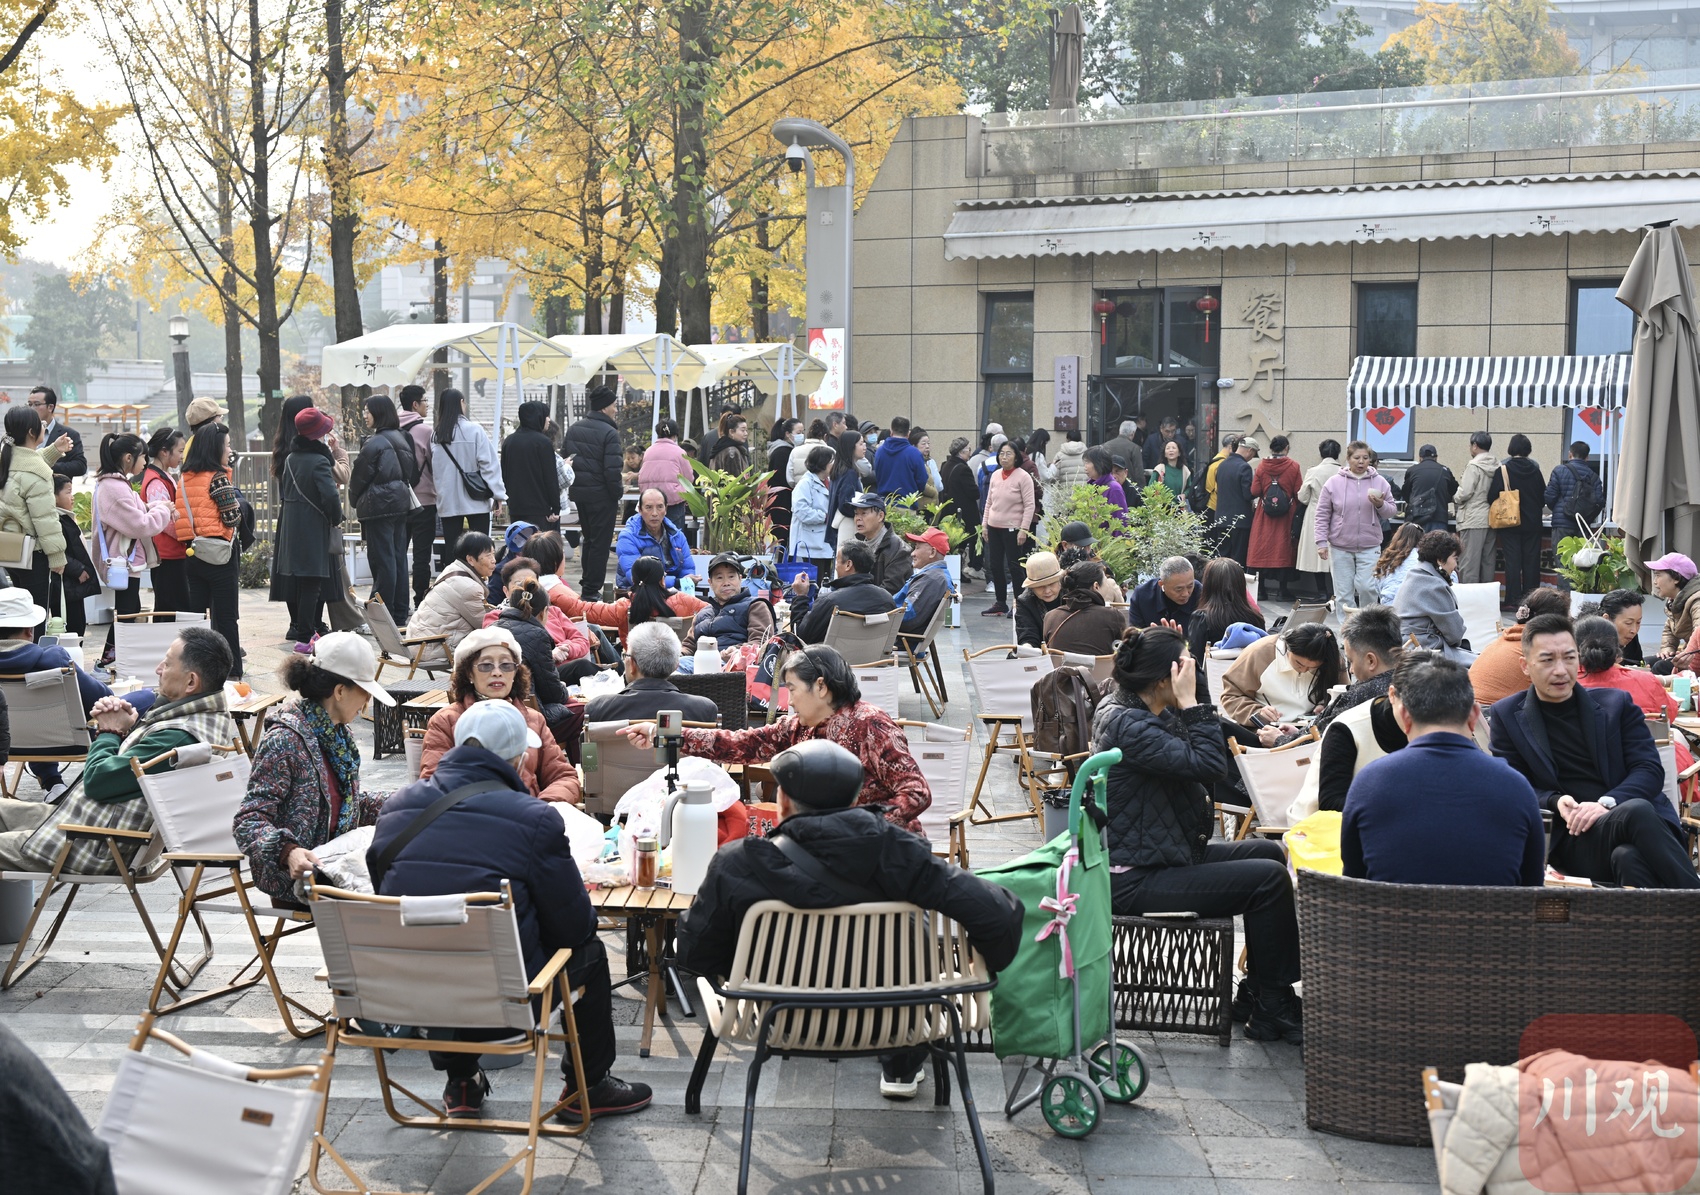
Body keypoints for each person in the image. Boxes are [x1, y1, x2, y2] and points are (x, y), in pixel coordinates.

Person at [675, 739, 1024, 1100]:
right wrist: (979, 965)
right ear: (855, 798)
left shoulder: (739, 863)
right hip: (895, 1021)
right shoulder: (901, 853)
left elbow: (695, 953)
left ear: (783, 800)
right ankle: (902, 1066)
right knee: (914, 936)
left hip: (779, 1019)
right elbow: (999, 913)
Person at [372, 698, 648, 1120]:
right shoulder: (534, 818)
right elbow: (574, 927)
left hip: (412, 998)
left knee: (438, 945)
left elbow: (384, 895)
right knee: (590, 954)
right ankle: (588, 1087)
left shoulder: (396, 807)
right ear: (519, 758)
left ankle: (462, 1079)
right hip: (505, 1003)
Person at [1091, 624, 1303, 1044]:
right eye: (1185, 667)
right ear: (1163, 679)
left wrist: (1192, 693)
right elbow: (1209, 765)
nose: (1191, 672)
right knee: (1267, 879)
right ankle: (1274, 1005)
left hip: (1158, 853)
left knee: (1268, 853)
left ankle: (1258, 993)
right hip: (1131, 877)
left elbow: (1202, 731)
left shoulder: (1138, 706)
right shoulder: (1130, 725)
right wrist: (1189, 701)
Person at [621, 645, 931, 833]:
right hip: (826, 846)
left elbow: (917, 792)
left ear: (821, 686)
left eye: (792, 690)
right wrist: (664, 734)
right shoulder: (799, 726)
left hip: (883, 851)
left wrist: (860, 825)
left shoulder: (872, 726)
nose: (790, 701)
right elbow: (740, 744)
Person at [1490, 614, 1700, 889]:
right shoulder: (1507, 715)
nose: (1560, 670)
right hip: (1571, 837)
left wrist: (1605, 803)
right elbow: (1512, 784)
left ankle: (1649, 918)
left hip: (1631, 823)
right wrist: (1554, 801)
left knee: (1628, 858)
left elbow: (1648, 769)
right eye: (1547, 660)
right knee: (1636, 811)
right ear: (1526, 666)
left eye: (1569, 658)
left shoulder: (1616, 704)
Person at [0, 626, 232, 875]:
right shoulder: (203, 719)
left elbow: (97, 781)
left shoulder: (178, 737)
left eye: (167, 664)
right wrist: (124, 724)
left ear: (191, 682)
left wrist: (109, 731)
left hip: (90, 844)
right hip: (85, 823)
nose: (158, 669)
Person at [1343, 654, 1544, 886]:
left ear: (1405, 716)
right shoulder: (1516, 788)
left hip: (1390, 911)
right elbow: (1532, 888)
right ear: (1474, 716)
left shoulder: (1368, 783)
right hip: (1493, 911)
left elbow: (1353, 883)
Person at [236, 634, 394, 907]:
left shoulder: (339, 735)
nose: (367, 701)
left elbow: (344, 804)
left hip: (338, 859)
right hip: (300, 877)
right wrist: (289, 852)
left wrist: (406, 801)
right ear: (340, 691)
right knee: (398, 891)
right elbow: (248, 820)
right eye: (365, 691)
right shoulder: (285, 740)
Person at [416, 626, 580, 803]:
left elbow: (563, 777)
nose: (497, 672)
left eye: (506, 665)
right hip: (471, 815)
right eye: (486, 665)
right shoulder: (446, 721)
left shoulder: (534, 719)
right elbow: (433, 785)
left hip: (528, 814)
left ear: (515, 673)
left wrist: (545, 806)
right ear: (469, 673)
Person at [1574, 614, 1689, 777]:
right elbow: (1669, 716)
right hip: (1648, 776)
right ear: (1616, 648)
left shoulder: (1560, 686)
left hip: (1580, 777)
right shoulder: (1644, 681)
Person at [172, 418, 243, 677]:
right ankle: (232, 670)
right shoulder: (217, 478)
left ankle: (195, 669)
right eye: (227, 445)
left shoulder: (184, 478)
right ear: (215, 448)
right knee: (225, 618)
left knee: (197, 618)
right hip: (220, 556)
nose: (229, 449)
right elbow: (232, 518)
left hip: (193, 553)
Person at [270, 407, 344, 644]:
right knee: (313, 583)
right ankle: (305, 635)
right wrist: (336, 518)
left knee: (303, 583)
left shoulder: (290, 458)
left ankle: (304, 631)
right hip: (313, 528)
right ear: (317, 434)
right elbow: (330, 497)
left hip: (292, 527)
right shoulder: (320, 461)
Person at [91, 432, 176, 623]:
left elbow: (139, 509)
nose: (146, 462)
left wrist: (161, 506)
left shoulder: (113, 484)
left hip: (123, 561)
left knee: (127, 615)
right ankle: (115, 645)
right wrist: (163, 511)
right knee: (127, 616)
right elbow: (141, 525)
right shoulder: (116, 488)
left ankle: (114, 645)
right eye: (143, 456)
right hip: (124, 562)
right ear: (128, 458)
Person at [349, 395, 420, 621]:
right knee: (398, 558)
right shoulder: (403, 438)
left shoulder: (374, 443)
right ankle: (399, 612)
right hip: (400, 505)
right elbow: (413, 473)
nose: (365, 415)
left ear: (378, 413)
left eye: (367, 411)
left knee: (382, 562)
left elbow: (359, 478)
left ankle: (380, 615)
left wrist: (353, 500)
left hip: (378, 507)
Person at [490, 573, 577, 742]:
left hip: (496, 711)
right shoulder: (538, 635)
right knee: (581, 714)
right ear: (544, 612)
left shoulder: (492, 629)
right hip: (526, 715)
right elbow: (553, 694)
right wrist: (564, 689)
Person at [0, 405, 69, 611]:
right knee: (35, 613)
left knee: (17, 612)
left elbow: (29, 462)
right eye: (41, 424)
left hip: (9, 548)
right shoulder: (37, 474)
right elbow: (45, 519)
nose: (44, 427)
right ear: (31, 432)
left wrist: (54, 450)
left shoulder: (6, 460)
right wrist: (57, 556)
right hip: (33, 554)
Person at [584, 622, 720, 724]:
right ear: (676, 666)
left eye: (626, 656)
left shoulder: (598, 709)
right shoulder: (704, 710)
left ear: (632, 665)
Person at [431, 388, 505, 569]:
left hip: (448, 500)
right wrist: (497, 494)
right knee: (481, 546)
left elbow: (437, 470)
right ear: (461, 403)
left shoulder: (437, 434)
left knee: (452, 548)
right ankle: (480, 579)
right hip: (476, 498)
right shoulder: (474, 430)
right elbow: (489, 465)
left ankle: (454, 579)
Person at [1221, 622, 1345, 729]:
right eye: (1298, 663)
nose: (1303, 670)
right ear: (1288, 647)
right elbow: (1231, 695)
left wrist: (1325, 705)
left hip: (1312, 730)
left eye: (1312, 667)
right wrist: (1257, 712)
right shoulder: (1260, 653)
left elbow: (1345, 697)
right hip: (1265, 730)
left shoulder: (1331, 660)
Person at [561, 386, 624, 595]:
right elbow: (612, 470)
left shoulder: (574, 429)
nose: (616, 409)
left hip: (580, 494)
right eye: (614, 405)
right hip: (602, 495)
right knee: (600, 543)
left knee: (588, 539)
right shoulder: (610, 433)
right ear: (604, 407)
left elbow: (565, 460)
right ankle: (591, 588)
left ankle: (587, 582)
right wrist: (617, 493)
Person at [1314, 440, 1390, 610]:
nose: (1361, 461)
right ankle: (1346, 625)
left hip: (1370, 544)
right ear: (1348, 459)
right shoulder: (1333, 482)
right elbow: (1322, 514)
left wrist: (1380, 504)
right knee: (1343, 592)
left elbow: (1390, 511)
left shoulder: (1380, 482)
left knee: (1368, 587)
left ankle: (1367, 622)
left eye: (1365, 458)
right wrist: (1321, 542)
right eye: (1356, 458)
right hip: (1340, 545)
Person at [1469, 585, 1573, 705]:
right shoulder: (1537, 650)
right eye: (1569, 620)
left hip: (1467, 708)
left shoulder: (1504, 639)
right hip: (1489, 713)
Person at [788, 539, 899, 643]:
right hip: (875, 657)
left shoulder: (830, 601)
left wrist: (801, 596)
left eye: (837, 561)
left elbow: (799, 637)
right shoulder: (886, 599)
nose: (836, 567)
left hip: (833, 657)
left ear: (848, 565)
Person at [407, 530, 494, 656]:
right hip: (432, 648)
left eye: (493, 554)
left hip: (418, 642)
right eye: (488, 556)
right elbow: (486, 624)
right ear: (470, 559)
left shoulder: (451, 569)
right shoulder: (468, 587)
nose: (493, 560)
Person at [1486, 434, 1546, 611]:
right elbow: (1543, 497)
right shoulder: (1535, 470)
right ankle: (1532, 600)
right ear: (1528, 450)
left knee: (1512, 562)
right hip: (1533, 523)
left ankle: (1513, 600)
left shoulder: (1504, 469)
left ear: (1511, 449)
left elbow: (1492, 496)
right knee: (1532, 561)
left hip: (1510, 523)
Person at [1396, 530, 1474, 663]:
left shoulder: (1414, 575)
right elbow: (1455, 635)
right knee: (1484, 664)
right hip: (1426, 651)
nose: (1456, 565)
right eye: (1455, 558)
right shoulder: (1434, 585)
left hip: (1409, 647)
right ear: (1440, 560)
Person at [681, 553, 774, 660]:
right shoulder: (702, 614)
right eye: (719, 578)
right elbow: (688, 646)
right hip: (698, 664)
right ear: (710, 583)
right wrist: (679, 656)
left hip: (736, 664)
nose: (726, 583)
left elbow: (761, 643)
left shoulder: (755, 606)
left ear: (740, 579)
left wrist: (737, 652)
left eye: (731, 577)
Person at [981, 440, 1035, 617]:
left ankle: (1019, 604)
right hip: (993, 527)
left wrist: (1024, 529)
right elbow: (989, 502)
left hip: (1013, 528)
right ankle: (1000, 602)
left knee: (1014, 567)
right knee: (995, 566)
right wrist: (984, 525)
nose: (1004, 457)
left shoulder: (1023, 477)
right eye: (1002, 453)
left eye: (1008, 454)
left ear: (1016, 457)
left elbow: (1029, 505)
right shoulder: (995, 475)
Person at [396, 385, 438, 608]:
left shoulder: (391, 428)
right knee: (422, 555)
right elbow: (435, 464)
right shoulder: (425, 431)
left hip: (398, 501)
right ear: (415, 404)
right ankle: (420, 601)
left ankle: (398, 602)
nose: (427, 405)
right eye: (425, 401)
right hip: (424, 501)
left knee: (398, 553)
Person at [140, 428, 189, 614]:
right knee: (170, 610)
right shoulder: (156, 482)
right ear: (164, 452)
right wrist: (187, 536)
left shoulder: (163, 475)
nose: (182, 456)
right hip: (167, 555)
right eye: (180, 451)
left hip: (171, 554)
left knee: (170, 607)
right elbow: (164, 522)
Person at [1248, 435, 1301, 599]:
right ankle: (1282, 591)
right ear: (1286, 448)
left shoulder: (1261, 466)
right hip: (1286, 515)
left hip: (1264, 514)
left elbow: (1255, 491)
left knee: (1262, 548)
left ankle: (1261, 590)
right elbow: (1298, 492)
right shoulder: (1294, 466)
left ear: (1271, 448)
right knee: (1283, 549)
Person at [1183, 557, 1263, 665]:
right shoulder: (1256, 618)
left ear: (1208, 585)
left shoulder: (1201, 618)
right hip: (1246, 673)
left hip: (1211, 674)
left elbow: (1195, 659)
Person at [497, 399, 560, 532]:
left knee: (519, 541)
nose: (548, 420)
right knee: (539, 542)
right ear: (538, 417)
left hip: (516, 507)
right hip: (539, 508)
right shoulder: (543, 443)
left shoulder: (509, 441)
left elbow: (504, 474)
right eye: (546, 416)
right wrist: (555, 507)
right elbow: (550, 478)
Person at [615, 487, 695, 588]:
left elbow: (688, 569)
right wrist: (677, 582)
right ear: (640, 510)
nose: (654, 513)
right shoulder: (627, 537)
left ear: (666, 509)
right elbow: (636, 577)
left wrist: (686, 580)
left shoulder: (677, 535)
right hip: (638, 592)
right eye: (648, 507)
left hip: (675, 591)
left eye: (660, 507)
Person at [1043, 561, 1126, 656]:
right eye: (1106, 582)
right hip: (1101, 666)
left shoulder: (1050, 617)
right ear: (1096, 586)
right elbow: (1125, 653)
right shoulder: (1113, 616)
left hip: (1061, 666)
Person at [50, 476, 98, 637]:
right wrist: (78, 569)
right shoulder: (55, 520)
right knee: (71, 626)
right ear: (54, 496)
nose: (72, 497)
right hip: (64, 582)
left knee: (77, 624)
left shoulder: (65, 517)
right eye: (68, 492)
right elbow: (55, 550)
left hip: (71, 582)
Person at [1294, 439, 1341, 598]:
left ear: (1321, 453)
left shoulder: (1313, 471)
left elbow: (1302, 496)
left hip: (1315, 513)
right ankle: (1337, 592)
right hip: (1339, 514)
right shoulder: (1343, 471)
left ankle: (1322, 592)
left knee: (1316, 556)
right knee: (1339, 554)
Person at [1454, 431, 1500, 586]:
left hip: (1473, 518)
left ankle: (1469, 598)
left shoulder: (1474, 465)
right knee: (1488, 562)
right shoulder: (1497, 465)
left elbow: (1465, 492)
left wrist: (1455, 497)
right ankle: (1487, 597)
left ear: (1475, 445)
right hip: (1491, 518)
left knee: (1469, 563)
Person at [847, 491, 912, 597]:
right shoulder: (857, 546)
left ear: (880, 516)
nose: (858, 518)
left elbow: (891, 590)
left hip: (881, 605)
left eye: (864, 513)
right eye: (856, 514)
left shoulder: (899, 549)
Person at [894, 527, 955, 638]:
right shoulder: (937, 576)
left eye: (917, 548)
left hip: (895, 639)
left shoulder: (931, 579)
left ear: (932, 552)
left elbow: (907, 618)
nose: (912, 553)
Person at [636, 417, 693, 532]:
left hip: (650, 501)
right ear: (675, 435)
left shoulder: (648, 451)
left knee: (652, 534)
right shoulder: (680, 452)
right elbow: (689, 479)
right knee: (673, 535)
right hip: (673, 501)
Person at [1544, 440, 1603, 548]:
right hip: (1582, 525)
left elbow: (1549, 497)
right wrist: (1588, 516)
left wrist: (1559, 510)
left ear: (1570, 454)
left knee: (1562, 556)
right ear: (1587, 457)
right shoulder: (1594, 476)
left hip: (1562, 525)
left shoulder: (1559, 471)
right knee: (1581, 557)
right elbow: (1599, 502)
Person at [789, 444, 835, 577]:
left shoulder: (828, 481)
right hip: (809, 544)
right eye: (832, 461)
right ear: (823, 464)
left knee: (824, 579)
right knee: (813, 581)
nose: (834, 464)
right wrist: (825, 517)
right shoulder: (805, 484)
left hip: (823, 543)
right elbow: (801, 511)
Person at [1213, 436, 1258, 566]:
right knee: (1238, 560)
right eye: (1253, 454)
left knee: (1222, 559)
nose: (1252, 458)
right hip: (1240, 521)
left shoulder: (1222, 465)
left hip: (1221, 519)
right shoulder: (1244, 467)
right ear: (1250, 450)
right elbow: (1247, 494)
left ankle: (1220, 579)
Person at [1649, 552, 1700, 667]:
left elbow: (1698, 636)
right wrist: (1667, 649)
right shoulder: (1674, 602)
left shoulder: (1697, 600)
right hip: (1689, 654)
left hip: (1695, 658)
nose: (1655, 582)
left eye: (1658, 575)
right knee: (1648, 662)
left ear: (1676, 578)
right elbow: (1670, 628)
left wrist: (1684, 654)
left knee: (1659, 667)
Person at [940, 437, 981, 575]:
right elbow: (974, 492)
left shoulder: (946, 465)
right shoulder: (963, 469)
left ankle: (954, 572)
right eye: (968, 449)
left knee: (953, 543)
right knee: (961, 543)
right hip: (963, 513)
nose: (970, 452)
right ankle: (958, 572)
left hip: (949, 510)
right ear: (961, 452)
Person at [1129, 556, 1203, 633]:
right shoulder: (1142, 596)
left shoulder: (1202, 594)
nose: (1185, 594)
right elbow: (1134, 635)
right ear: (1161, 584)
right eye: (1179, 589)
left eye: (1190, 586)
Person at [27, 385, 85, 478]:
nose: (32, 409)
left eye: (36, 404)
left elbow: (80, 466)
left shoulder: (68, 435)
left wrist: (47, 464)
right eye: (30, 404)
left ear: (50, 407)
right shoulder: (23, 432)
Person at [1400, 444, 1458, 533]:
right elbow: (1454, 491)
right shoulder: (1444, 470)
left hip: (1417, 518)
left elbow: (1405, 494)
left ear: (1420, 457)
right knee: (1437, 542)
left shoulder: (1412, 470)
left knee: (1417, 542)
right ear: (1436, 457)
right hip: (1439, 518)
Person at [1015, 551, 1065, 649]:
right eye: (1040, 586)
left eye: (1051, 584)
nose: (1047, 591)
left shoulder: (1072, 594)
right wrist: (1027, 647)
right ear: (1032, 587)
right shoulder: (1025, 602)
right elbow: (1027, 634)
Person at [870, 414, 927, 499]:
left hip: (884, 502)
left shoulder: (880, 451)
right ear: (908, 434)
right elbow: (922, 480)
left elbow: (877, 475)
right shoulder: (915, 453)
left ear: (891, 432)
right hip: (907, 502)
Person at [828, 430, 868, 546]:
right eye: (861, 444)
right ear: (851, 446)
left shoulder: (839, 470)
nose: (864, 447)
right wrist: (862, 514)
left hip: (838, 526)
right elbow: (845, 504)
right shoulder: (850, 473)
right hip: (848, 525)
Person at [1591, 588, 1647, 667]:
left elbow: (1637, 663)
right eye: (1628, 623)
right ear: (1607, 619)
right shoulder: (1588, 640)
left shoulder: (1630, 638)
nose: (1634, 630)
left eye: (1638, 622)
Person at [1372, 521, 1423, 605]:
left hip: (1387, 607)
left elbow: (1378, 585)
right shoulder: (1422, 558)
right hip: (1411, 607)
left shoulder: (1387, 558)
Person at [1082, 445, 1128, 515]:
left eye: (1088, 462)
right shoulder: (1091, 486)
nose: (1085, 466)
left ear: (1100, 464)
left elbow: (1120, 518)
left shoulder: (1114, 488)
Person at [786, 418, 828, 487]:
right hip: (823, 491)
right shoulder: (830, 451)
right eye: (799, 433)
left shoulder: (795, 451)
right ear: (825, 436)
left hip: (800, 490)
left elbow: (790, 479)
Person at [1148, 437, 1191, 501]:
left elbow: (1189, 488)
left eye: (1174, 448)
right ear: (1165, 454)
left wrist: (1184, 495)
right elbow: (1150, 488)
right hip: (1162, 505)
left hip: (1179, 505)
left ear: (1179, 453)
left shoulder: (1185, 470)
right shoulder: (1159, 469)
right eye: (1168, 448)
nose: (1171, 450)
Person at [708, 411, 751, 475]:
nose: (746, 433)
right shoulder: (732, 453)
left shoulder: (720, 448)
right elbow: (734, 480)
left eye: (746, 430)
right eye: (743, 430)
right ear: (731, 432)